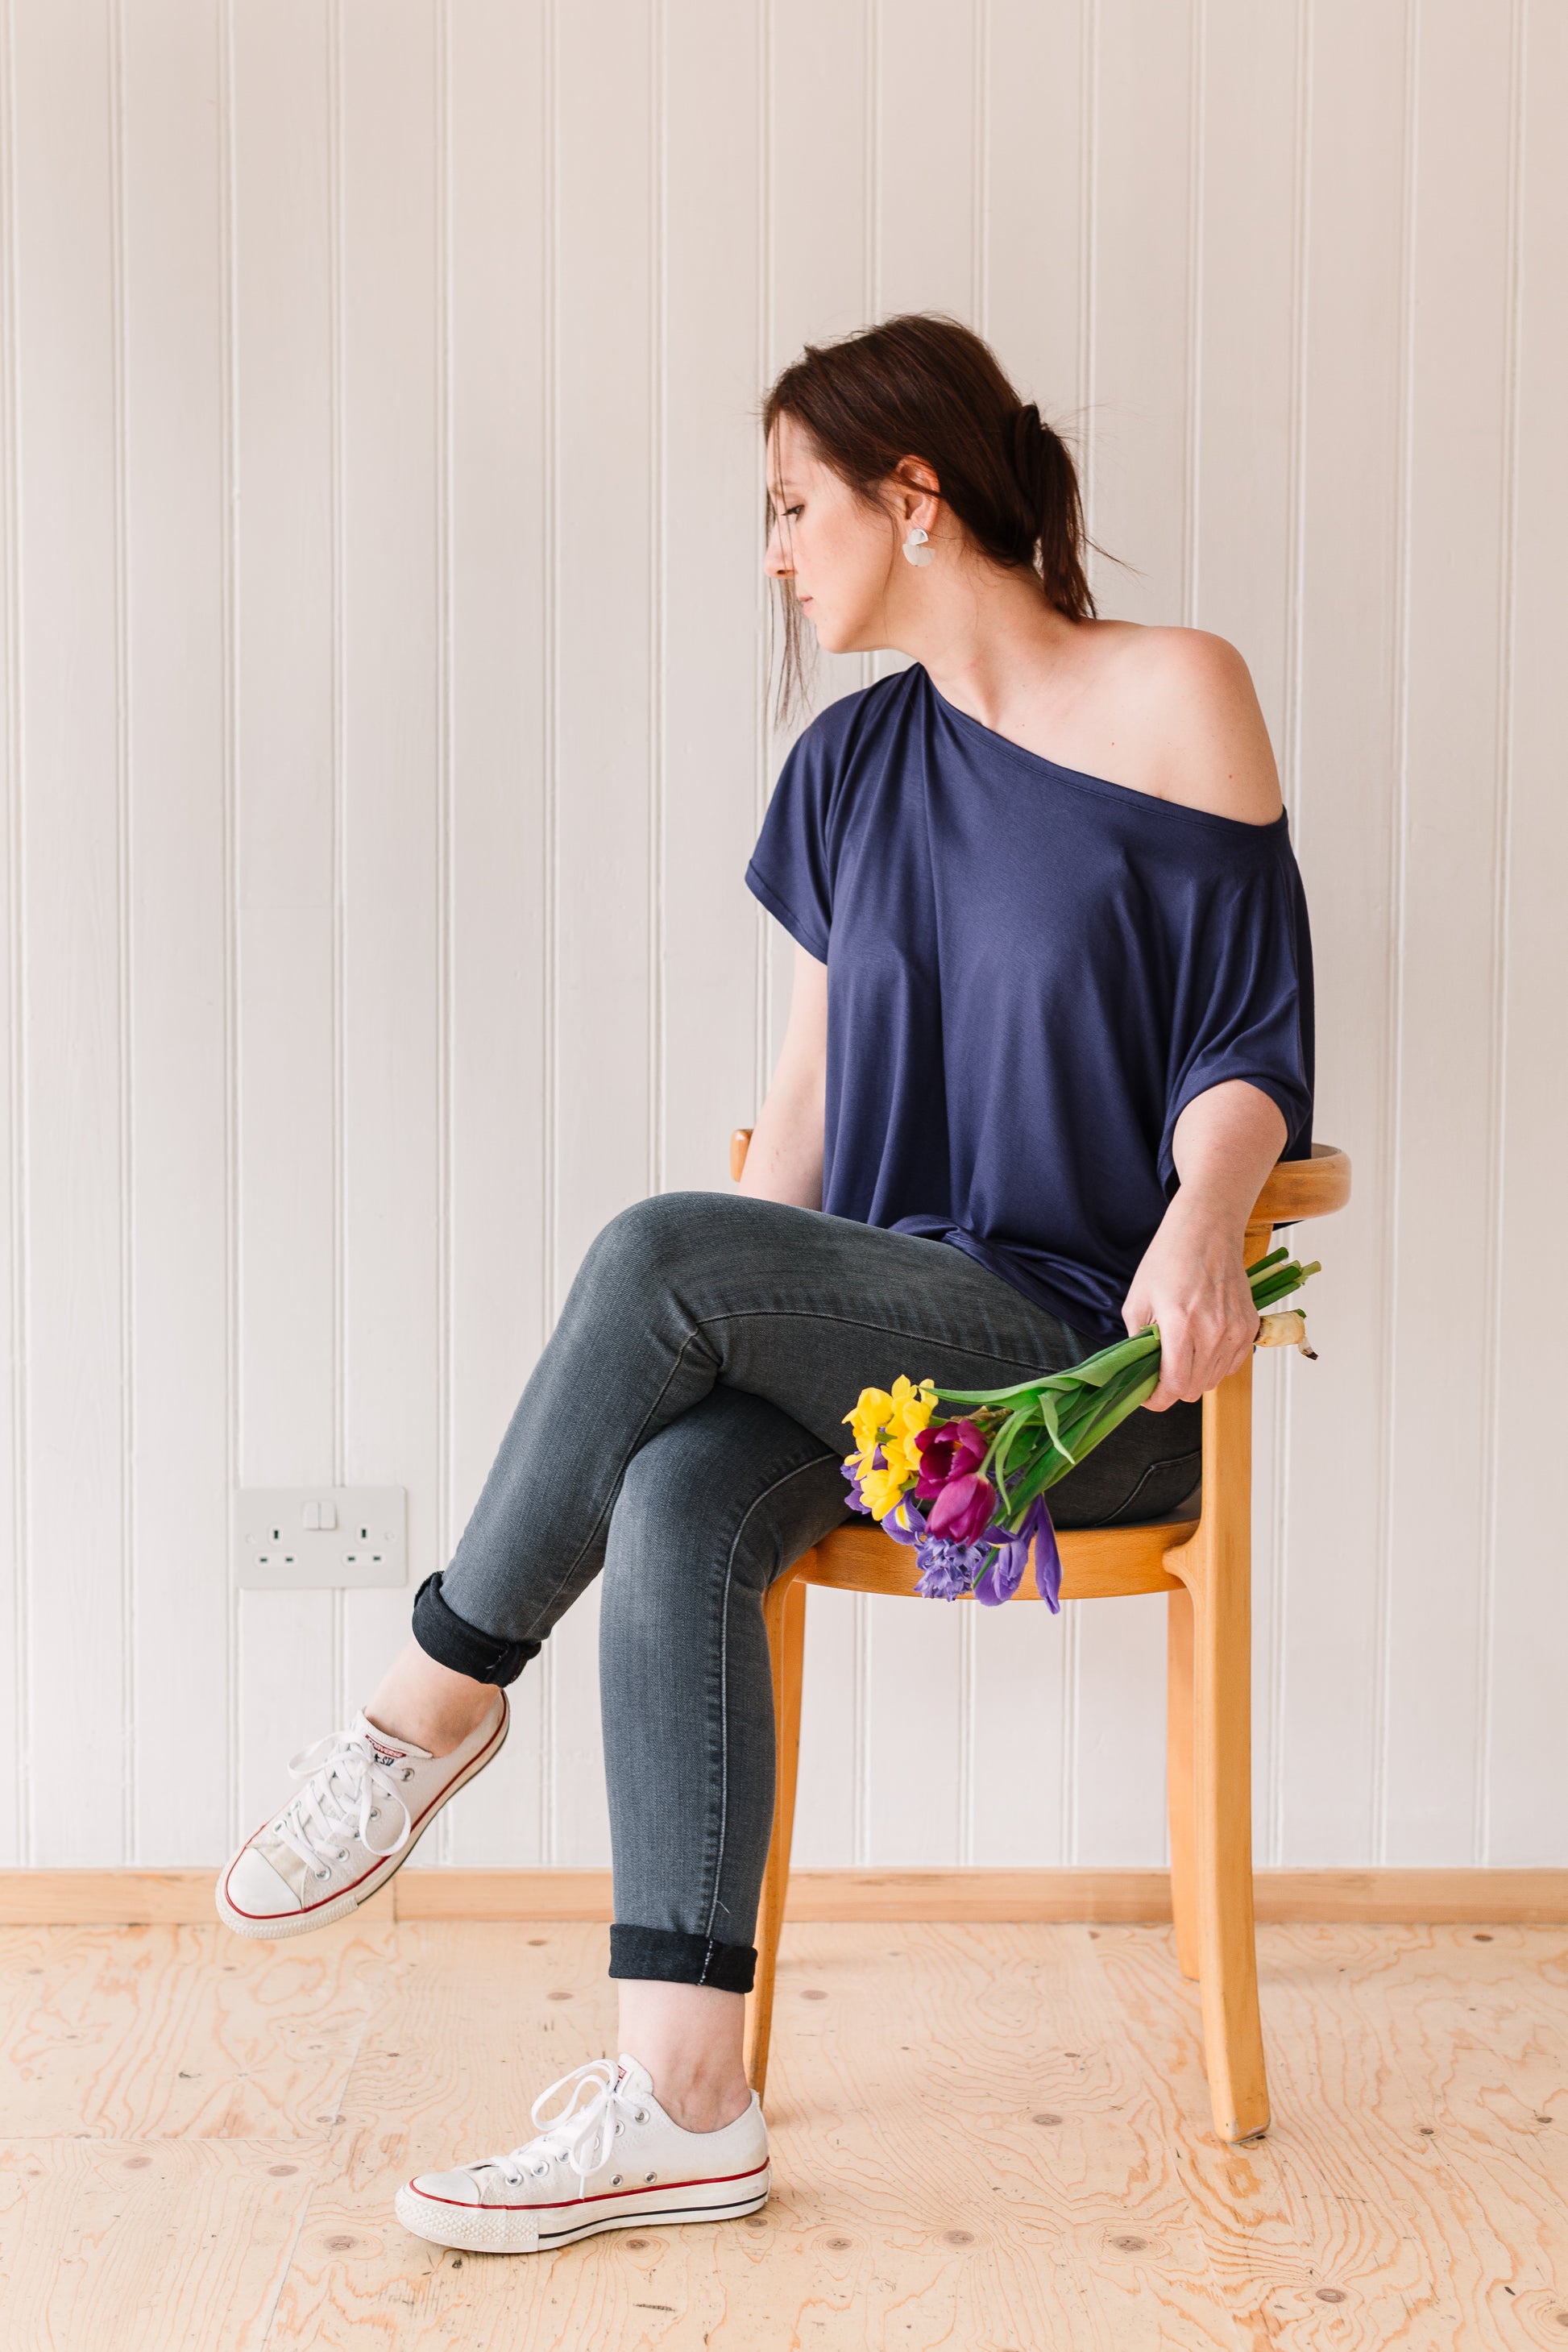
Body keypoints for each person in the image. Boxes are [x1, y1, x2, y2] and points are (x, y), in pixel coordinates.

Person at [214, 312, 1313, 2258]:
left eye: (796, 506)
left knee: (655, 1245)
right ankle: (686, 2101)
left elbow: (1249, 1043)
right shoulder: (843, 769)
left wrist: (1207, 1212)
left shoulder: (1176, 693)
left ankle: (430, 1706)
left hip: (1074, 1377)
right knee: (673, 1481)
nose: (775, 552)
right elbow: (797, 1139)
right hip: (886, 1350)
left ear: (916, 496)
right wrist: (727, 1317)